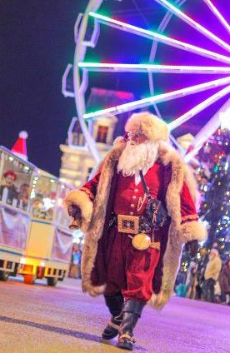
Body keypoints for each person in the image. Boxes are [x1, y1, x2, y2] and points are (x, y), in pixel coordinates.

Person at [64, 112, 205, 350]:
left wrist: (190, 232)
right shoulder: (116, 159)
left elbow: (184, 200)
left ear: (151, 140)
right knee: (111, 282)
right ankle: (118, 316)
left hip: (148, 237)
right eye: (131, 134)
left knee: (139, 283)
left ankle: (127, 333)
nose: (132, 139)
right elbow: (95, 185)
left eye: (138, 136)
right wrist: (80, 201)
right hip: (115, 232)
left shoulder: (169, 167)